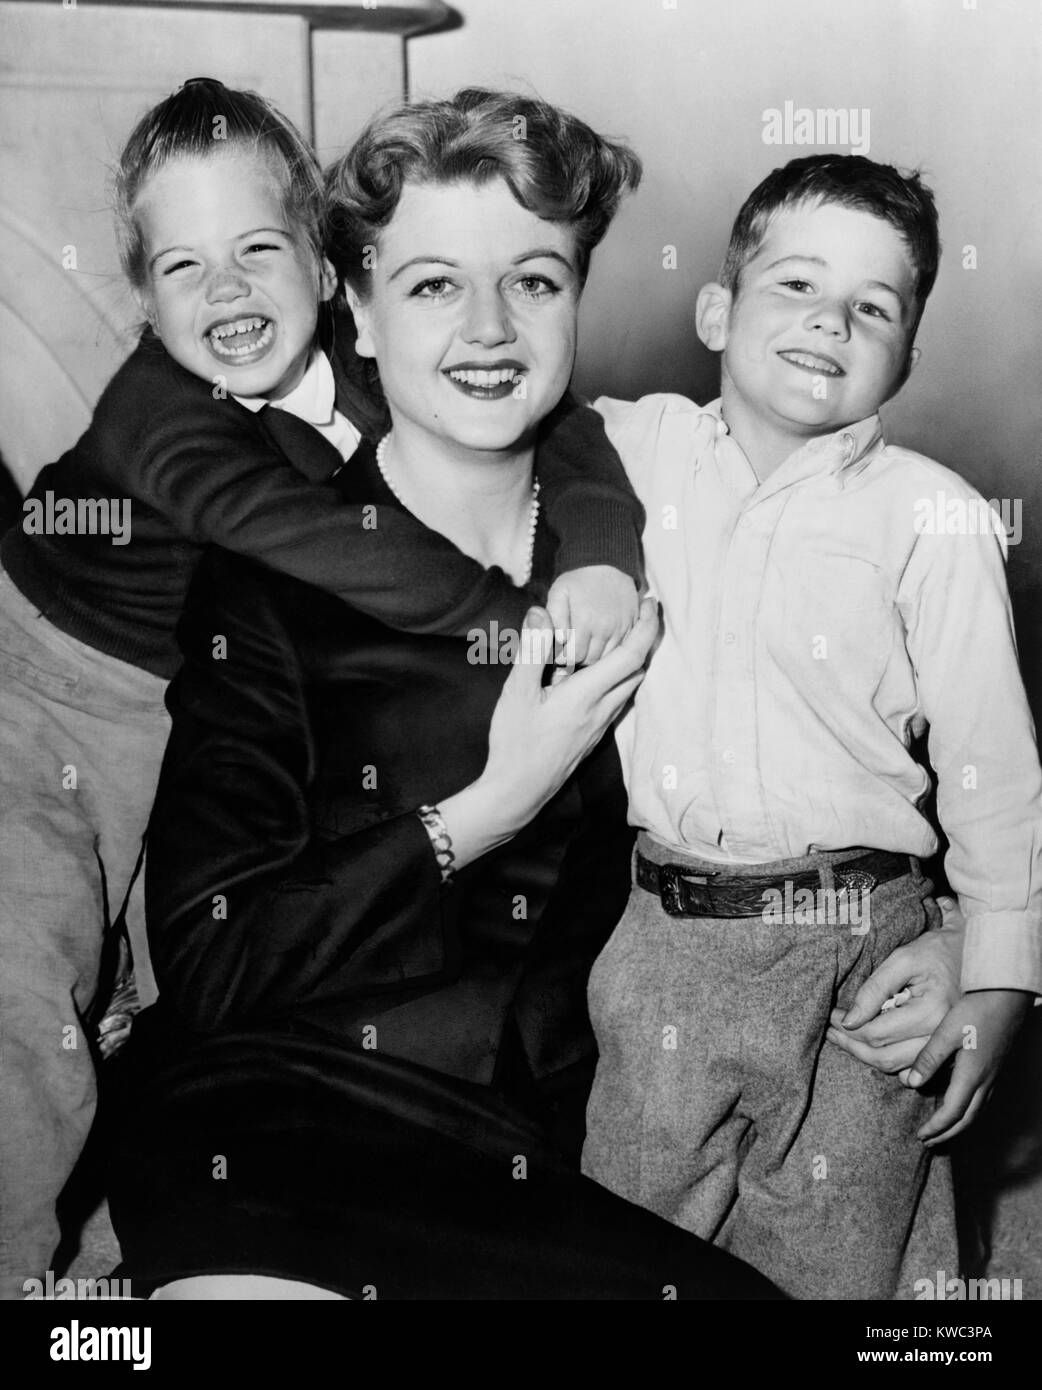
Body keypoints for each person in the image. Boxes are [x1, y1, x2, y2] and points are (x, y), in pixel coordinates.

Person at [106, 88, 785, 1300]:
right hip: (276, 1125)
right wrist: (485, 809)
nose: (489, 326)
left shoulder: (663, 529)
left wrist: (946, 944)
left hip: (527, 1156)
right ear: (352, 310)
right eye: (430, 285)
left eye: (533, 280)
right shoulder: (266, 582)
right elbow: (210, 963)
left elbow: (841, 771)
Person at [0, 78, 648, 1300]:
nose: (227, 292)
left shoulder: (366, 358)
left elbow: (559, 422)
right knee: (22, 980)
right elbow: (353, 553)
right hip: (34, 694)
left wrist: (604, 553)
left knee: (144, 994)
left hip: (157, 702)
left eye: (257, 249)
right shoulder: (167, 427)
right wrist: (529, 639)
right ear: (140, 296)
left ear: (320, 264)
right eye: (182, 267)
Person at [582, 154, 1042, 1300]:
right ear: (715, 309)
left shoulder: (931, 515)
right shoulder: (628, 451)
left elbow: (991, 759)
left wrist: (996, 975)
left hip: (860, 943)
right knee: (619, 1242)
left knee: (843, 1252)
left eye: (873, 307)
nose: (831, 321)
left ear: (906, 356)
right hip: (666, 936)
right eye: (795, 285)